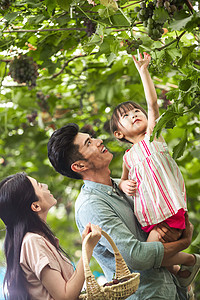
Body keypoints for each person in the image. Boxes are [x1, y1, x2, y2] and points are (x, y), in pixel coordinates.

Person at [48, 123, 199, 299]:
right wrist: (184, 244)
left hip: (174, 290)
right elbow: (136, 257)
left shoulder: (126, 184)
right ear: (79, 166)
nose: (99, 141)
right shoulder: (91, 205)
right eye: (89, 143)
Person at [109, 52, 200, 278]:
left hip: (168, 213)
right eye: (126, 116)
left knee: (147, 256)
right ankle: (181, 273)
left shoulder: (153, 136)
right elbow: (122, 180)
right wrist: (122, 186)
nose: (134, 115)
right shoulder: (128, 158)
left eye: (136, 111)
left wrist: (143, 71)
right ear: (119, 133)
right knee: (159, 260)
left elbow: (152, 103)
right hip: (150, 219)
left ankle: (191, 260)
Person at [0, 172, 101, 300]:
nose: (45, 185)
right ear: (35, 206)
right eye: (39, 185)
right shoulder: (32, 241)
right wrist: (87, 249)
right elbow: (65, 296)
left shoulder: (36, 240)